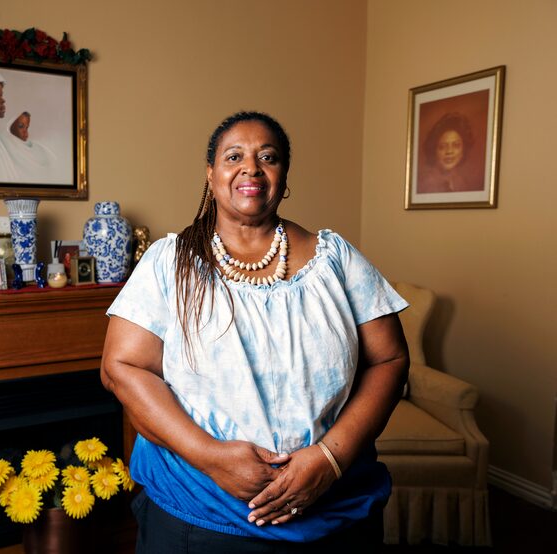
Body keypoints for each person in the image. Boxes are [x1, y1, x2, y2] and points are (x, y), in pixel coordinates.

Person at [101, 111, 410, 552]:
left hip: (334, 509)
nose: (251, 167)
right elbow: (121, 368)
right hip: (201, 514)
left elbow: (391, 359)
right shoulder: (169, 262)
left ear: (283, 178)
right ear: (211, 175)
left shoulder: (335, 259)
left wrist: (329, 459)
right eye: (234, 156)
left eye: (268, 157)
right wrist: (213, 458)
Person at [418, 112, 481, 193]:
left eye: (456, 145)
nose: (449, 151)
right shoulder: (425, 183)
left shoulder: (461, 182)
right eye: (442, 146)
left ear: (463, 150)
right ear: (434, 150)